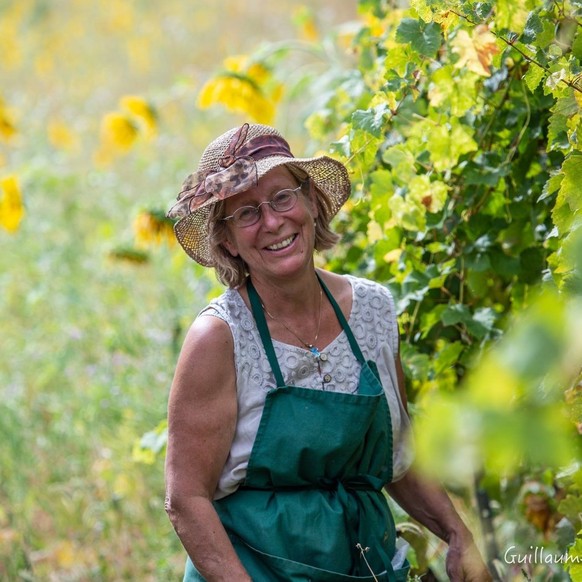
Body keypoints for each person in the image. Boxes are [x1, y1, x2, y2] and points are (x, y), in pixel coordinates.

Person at [164, 123, 492, 582]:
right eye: (247, 214)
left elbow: (397, 457)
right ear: (226, 241)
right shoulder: (220, 337)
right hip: (254, 570)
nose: (273, 222)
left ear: (312, 203)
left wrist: (459, 536)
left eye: (283, 197)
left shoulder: (374, 310)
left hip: (365, 564)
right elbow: (186, 499)